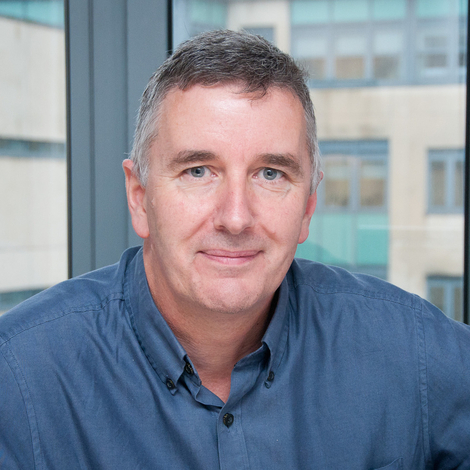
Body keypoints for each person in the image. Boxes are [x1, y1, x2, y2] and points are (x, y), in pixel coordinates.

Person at [1, 29, 469, 470]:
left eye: (271, 174)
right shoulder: (19, 378)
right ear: (139, 198)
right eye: (198, 171)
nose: (236, 218)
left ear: (308, 206)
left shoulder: (411, 349)